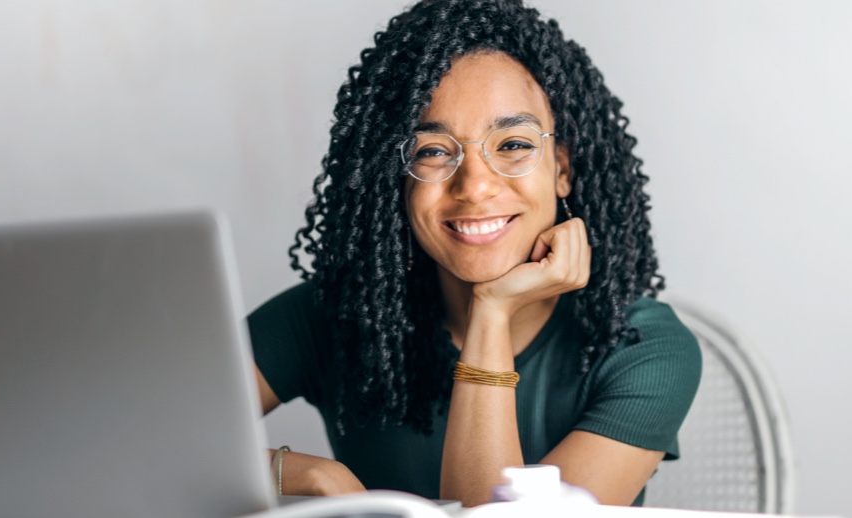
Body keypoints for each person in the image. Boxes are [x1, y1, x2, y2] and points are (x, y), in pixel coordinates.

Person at [247, 0, 701, 507]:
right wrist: (307, 475)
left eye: (512, 145)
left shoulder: (644, 347)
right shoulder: (333, 314)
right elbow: (147, 430)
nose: (475, 186)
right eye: (433, 151)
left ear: (562, 168)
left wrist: (491, 311)